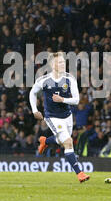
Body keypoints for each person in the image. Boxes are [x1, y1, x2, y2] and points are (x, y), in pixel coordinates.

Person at [29, 52, 90, 183]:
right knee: (68, 142)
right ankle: (79, 173)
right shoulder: (44, 80)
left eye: (63, 62)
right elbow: (32, 93)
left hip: (67, 116)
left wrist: (62, 99)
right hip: (52, 117)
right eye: (60, 62)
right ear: (52, 64)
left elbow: (76, 100)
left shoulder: (69, 79)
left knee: (63, 141)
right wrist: (35, 110)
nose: (63, 64)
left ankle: (45, 141)